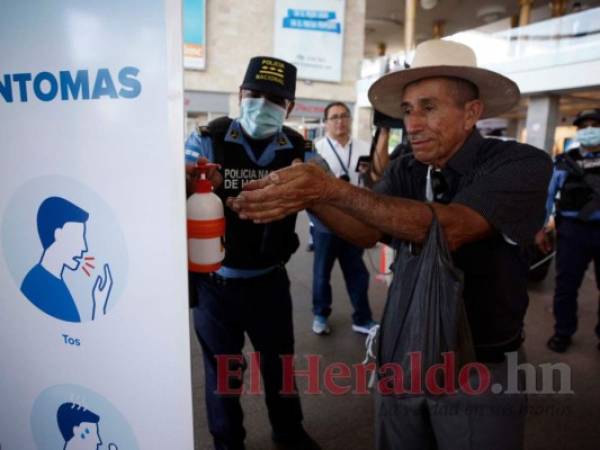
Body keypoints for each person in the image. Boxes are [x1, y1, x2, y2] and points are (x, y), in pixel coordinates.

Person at [228, 40, 552, 449]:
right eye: (407, 110)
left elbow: (449, 229)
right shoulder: (408, 168)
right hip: (403, 350)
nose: (412, 124)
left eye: (429, 108)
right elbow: (365, 231)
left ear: (472, 112)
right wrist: (310, 196)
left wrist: (332, 190)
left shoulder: (520, 164)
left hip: (480, 363)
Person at [184, 56, 319, 450]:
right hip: (215, 285)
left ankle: (289, 434)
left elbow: (327, 189)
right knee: (223, 376)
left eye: (274, 99)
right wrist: (189, 181)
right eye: (254, 94)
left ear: (289, 108)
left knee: (280, 366)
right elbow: (179, 178)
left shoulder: (298, 146)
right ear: (240, 95)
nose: (262, 104)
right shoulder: (208, 137)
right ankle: (228, 443)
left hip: (269, 281)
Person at [310, 101, 376, 335]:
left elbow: (373, 180)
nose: (340, 121)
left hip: (355, 221)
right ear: (326, 122)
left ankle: (363, 318)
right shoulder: (316, 150)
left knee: (357, 272)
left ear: (349, 119)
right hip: (325, 223)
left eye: (344, 116)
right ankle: (320, 314)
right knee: (321, 273)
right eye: (334, 117)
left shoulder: (365, 147)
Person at [537, 108, 600, 353]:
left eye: (595, 124)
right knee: (566, 286)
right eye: (584, 126)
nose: (590, 130)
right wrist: (540, 228)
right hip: (572, 231)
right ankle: (563, 332)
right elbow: (548, 196)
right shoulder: (564, 161)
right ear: (578, 131)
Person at [21, 196, 113, 322]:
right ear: (58, 234)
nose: (84, 247)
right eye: (77, 237)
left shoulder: (53, 282)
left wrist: (99, 306)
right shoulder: (36, 284)